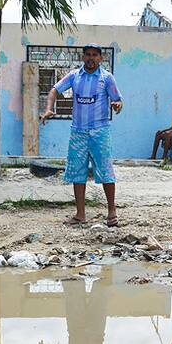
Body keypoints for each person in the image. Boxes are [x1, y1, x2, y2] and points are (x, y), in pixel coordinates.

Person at [42, 43, 123, 227]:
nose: (91, 58)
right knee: (77, 172)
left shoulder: (107, 78)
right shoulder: (74, 76)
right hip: (78, 132)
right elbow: (54, 90)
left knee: (106, 171)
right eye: (88, 54)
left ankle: (112, 213)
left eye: (95, 55)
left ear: (100, 58)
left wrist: (117, 106)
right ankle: (80, 214)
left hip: (100, 131)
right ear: (83, 57)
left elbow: (118, 99)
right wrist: (48, 109)